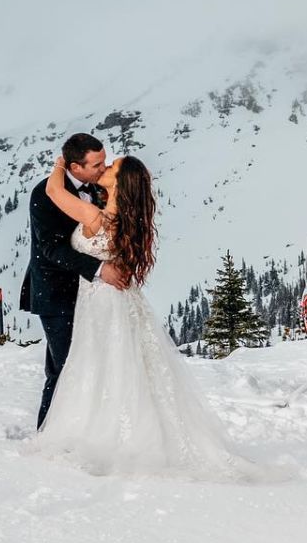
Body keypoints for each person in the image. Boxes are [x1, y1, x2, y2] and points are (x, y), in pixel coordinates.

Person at [28, 151, 277, 481]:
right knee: (125, 367)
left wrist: (62, 162)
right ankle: (130, 430)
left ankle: (99, 434)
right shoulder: (127, 220)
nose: (105, 167)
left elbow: (54, 193)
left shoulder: (97, 218)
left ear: (119, 183)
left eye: (110, 168)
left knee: (98, 367)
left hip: (101, 302)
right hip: (119, 300)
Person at [20, 133, 130, 429]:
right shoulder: (46, 194)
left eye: (105, 162)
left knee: (78, 365)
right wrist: (99, 269)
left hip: (89, 296)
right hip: (56, 294)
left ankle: (77, 429)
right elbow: (51, 248)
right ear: (74, 167)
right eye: (97, 164)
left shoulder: (98, 190)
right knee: (66, 368)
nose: (103, 168)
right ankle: (48, 432)